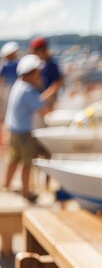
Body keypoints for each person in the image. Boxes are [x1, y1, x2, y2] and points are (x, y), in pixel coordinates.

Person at [3, 54, 55, 201]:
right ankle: (26, 193)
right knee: (27, 163)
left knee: (13, 159)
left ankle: (6, 186)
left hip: (13, 129)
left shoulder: (18, 85)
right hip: (24, 132)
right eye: (37, 73)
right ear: (31, 73)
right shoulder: (28, 90)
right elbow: (43, 110)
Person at [29, 37, 64, 108]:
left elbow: (58, 83)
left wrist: (44, 96)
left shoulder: (52, 64)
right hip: (39, 98)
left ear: (42, 50)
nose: (33, 54)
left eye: (34, 51)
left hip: (48, 100)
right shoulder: (39, 63)